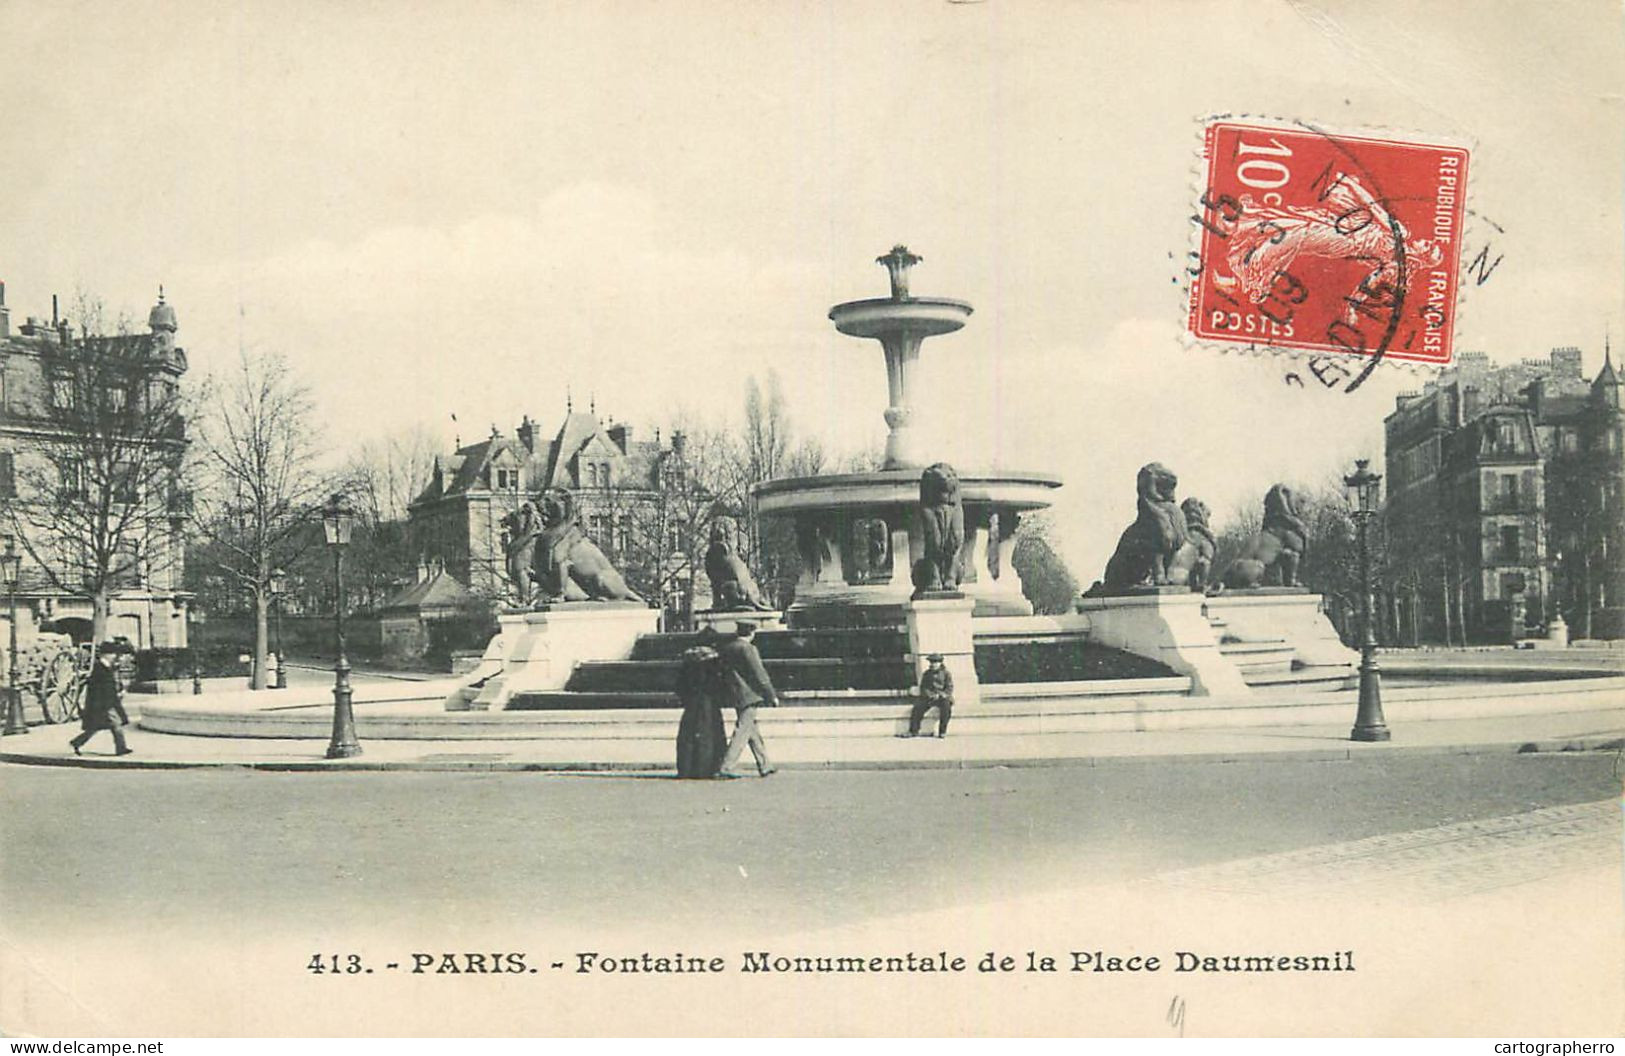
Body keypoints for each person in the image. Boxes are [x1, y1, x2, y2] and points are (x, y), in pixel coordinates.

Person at [716, 622, 778, 778]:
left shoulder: (728, 647)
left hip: (735, 692)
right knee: (743, 730)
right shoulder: (748, 648)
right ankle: (727, 766)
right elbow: (760, 674)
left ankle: (765, 764)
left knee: (751, 729)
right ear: (752, 632)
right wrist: (771, 695)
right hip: (749, 694)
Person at [674, 633, 727, 779]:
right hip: (708, 702)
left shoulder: (688, 661)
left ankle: (686, 768)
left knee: (689, 735)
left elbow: (679, 685)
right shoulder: (713, 662)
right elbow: (718, 683)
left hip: (691, 703)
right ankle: (706, 768)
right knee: (709, 734)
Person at [70, 643, 132, 757]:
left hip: (105, 702)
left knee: (95, 727)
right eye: (112, 653)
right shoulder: (100, 668)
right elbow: (99, 688)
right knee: (116, 725)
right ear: (106, 655)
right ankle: (121, 748)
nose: (114, 656)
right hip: (104, 703)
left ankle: (77, 742)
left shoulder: (104, 667)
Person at [906, 654, 954, 738]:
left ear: (940, 663)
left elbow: (949, 687)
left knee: (946, 709)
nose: (933, 664)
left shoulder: (946, 673)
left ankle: (942, 731)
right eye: (932, 662)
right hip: (929, 698)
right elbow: (923, 687)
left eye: (936, 662)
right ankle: (913, 731)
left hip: (942, 698)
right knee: (917, 708)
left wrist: (941, 695)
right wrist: (930, 695)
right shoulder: (927, 674)